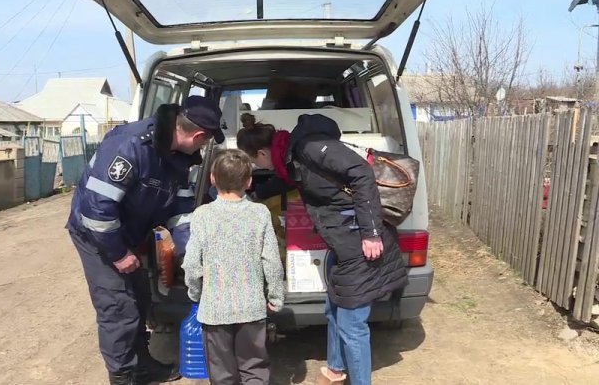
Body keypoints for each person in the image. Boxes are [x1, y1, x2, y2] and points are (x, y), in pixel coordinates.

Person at [236, 114, 408, 385]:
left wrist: (371, 233)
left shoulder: (309, 147)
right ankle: (335, 370)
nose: (259, 167)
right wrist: (255, 195)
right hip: (341, 244)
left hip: (359, 243)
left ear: (262, 152)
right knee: (333, 309)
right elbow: (289, 180)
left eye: (256, 162)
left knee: (353, 325)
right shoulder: (291, 158)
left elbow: (361, 173)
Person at [66, 96, 225, 385]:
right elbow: (97, 210)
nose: (202, 148)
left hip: (131, 233)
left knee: (139, 300)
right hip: (98, 236)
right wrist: (117, 254)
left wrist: (191, 254)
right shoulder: (130, 146)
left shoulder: (180, 157)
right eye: (204, 143)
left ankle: (142, 365)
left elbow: (181, 208)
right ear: (199, 135)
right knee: (118, 308)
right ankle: (124, 376)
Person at [181, 149, 285, 385]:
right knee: (255, 368)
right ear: (249, 182)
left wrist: (196, 293)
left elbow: (191, 263)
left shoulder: (202, 215)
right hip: (252, 307)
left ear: (212, 178)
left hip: (214, 309)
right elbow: (271, 260)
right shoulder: (259, 213)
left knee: (222, 373)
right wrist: (276, 296)